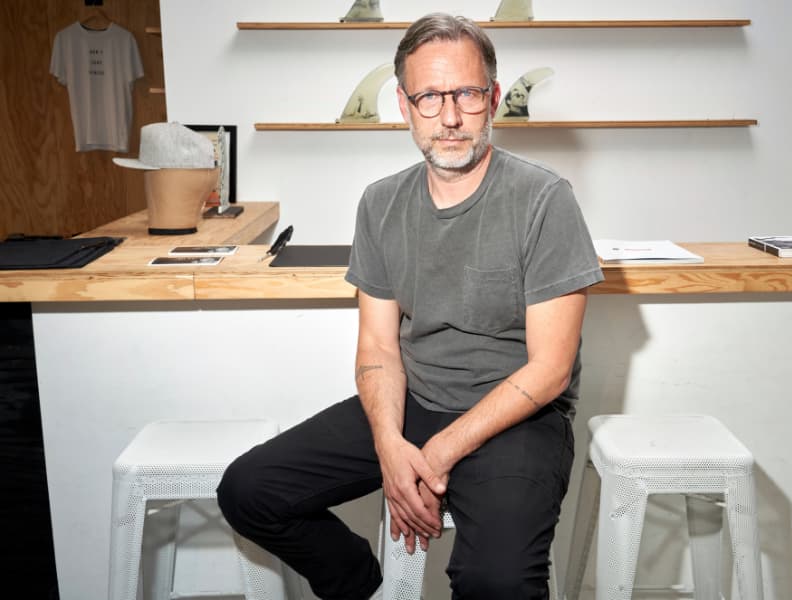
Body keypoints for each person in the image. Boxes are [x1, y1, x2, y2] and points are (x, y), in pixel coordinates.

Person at [217, 12, 603, 599]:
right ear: (404, 105)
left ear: (493, 98)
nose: (449, 117)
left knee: (495, 581)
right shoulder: (380, 204)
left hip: (517, 420)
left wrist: (434, 454)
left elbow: (549, 370)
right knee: (249, 490)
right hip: (415, 402)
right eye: (429, 97)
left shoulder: (544, 199)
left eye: (467, 94)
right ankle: (360, 585)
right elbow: (376, 345)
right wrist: (391, 447)